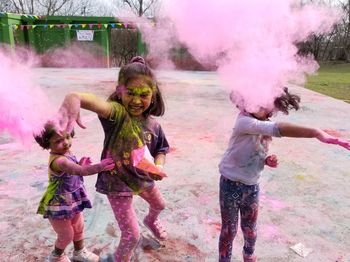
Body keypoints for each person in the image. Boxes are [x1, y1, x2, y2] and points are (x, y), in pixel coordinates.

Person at [57, 56, 170, 262]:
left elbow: (161, 148)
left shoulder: (154, 125)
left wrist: (158, 166)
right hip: (116, 182)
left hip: (143, 178)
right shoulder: (116, 114)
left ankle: (150, 221)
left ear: (153, 94)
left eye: (144, 95)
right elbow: (97, 103)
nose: (136, 101)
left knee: (160, 205)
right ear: (120, 91)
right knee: (131, 236)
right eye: (130, 93)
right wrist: (75, 97)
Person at [218, 88, 350, 262]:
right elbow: (278, 128)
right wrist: (316, 132)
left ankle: (248, 255)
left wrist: (265, 160)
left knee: (250, 229)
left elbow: (252, 151)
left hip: (252, 185)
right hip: (230, 184)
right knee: (230, 230)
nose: (259, 106)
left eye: (264, 103)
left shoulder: (261, 122)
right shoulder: (244, 121)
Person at [34, 121, 115, 262]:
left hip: (72, 199)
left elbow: (76, 170)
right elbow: (80, 171)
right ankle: (56, 256)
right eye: (58, 141)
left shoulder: (67, 153)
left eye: (67, 137)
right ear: (47, 144)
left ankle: (79, 252)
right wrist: (99, 166)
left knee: (78, 227)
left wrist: (79, 164)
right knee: (66, 235)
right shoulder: (59, 161)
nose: (65, 142)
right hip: (59, 203)